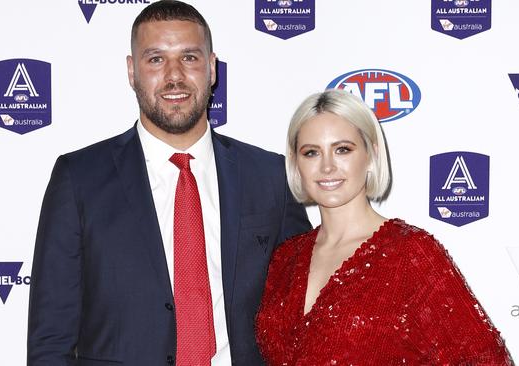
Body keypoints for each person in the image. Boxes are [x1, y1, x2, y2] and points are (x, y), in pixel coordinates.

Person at [26, 1, 311, 365]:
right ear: (132, 71)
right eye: (156, 59)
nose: (174, 75)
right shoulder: (79, 179)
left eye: (190, 58)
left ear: (211, 68)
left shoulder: (270, 176)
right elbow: (50, 341)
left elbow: (302, 311)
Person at [255, 89, 513, 365]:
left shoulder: (410, 254)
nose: (327, 166)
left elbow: (485, 359)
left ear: (370, 154)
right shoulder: (286, 257)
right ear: (295, 162)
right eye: (311, 153)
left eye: (342, 149)